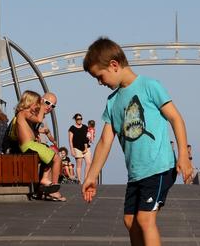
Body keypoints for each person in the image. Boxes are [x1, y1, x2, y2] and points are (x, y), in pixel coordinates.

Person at [81, 37, 193, 246]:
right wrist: (91, 176)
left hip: (159, 167)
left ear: (114, 65)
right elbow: (105, 140)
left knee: (144, 218)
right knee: (129, 220)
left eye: (100, 76)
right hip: (136, 172)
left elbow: (176, 118)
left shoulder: (149, 86)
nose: (100, 82)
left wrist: (183, 156)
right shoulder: (113, 101)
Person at [13, 90, 65, 201]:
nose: (49, 107)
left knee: (52, 154)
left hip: (30, 144)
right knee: (57, 159)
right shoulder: (24, 113)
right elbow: (39, 119)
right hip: (28, 145)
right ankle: (54, 189)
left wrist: (37, 133)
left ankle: (45, 181)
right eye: (47, 102)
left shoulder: (25, 114)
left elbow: (28, 130)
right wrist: (42, 106)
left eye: (53, 106)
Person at [68, 113, 92, 183]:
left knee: (89, 162)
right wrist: (72, 149)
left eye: (81, 119)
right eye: (78, 119)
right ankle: (79, 180)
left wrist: (90, 137)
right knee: (79, 165)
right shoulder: (72, 128)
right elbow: (70, 140)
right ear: (75, 120)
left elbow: (88, 135)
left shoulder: (85, 127)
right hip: (77, 148)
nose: (80, 120)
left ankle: (85, 179)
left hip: (86, 147)